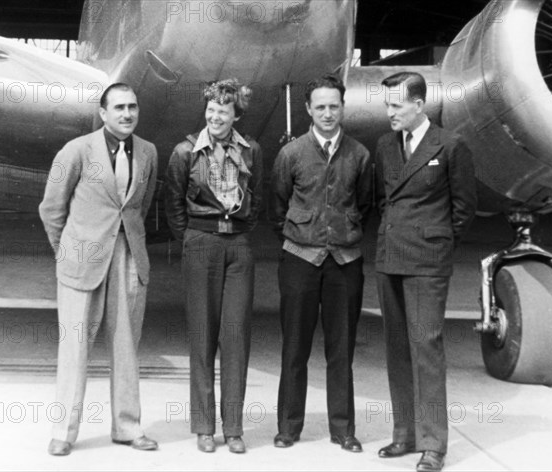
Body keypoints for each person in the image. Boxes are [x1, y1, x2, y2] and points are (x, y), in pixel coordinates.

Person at [39, 83, 159, 456]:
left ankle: (127, 427)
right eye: (119, 107)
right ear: (103, 113)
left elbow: (140, 205)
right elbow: (51, 208)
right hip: (81, 259)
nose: (127, 114)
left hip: (127, 257)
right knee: (74, 349)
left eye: (133, 107)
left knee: (126, 347)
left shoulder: (148, 152)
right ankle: (63, 431)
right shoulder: (75, 150)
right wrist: (67, 250)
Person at [374, 72, 477, 472]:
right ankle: (405, 434)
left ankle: (434, 444)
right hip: (390, 258)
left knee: (427, 349)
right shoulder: (384, 145)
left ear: (419, 104)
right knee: (397, 349)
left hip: (427, 262)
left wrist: (436, 243)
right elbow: (380, 200)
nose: (389, 113)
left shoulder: (450, 146)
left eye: (396, 105)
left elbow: (464, 209)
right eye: (387, 105)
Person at [270, 74, 372, 453]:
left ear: (343, 108)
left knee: (341, 349)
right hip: (299, 259)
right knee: (294, 347)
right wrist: (303, 235)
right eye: (321, 107)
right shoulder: (291, 154)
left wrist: (342, 232)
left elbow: (366, 205)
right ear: (309, 110)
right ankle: (288, 427)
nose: (328, 113)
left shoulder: (359, 155)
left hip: (345, 262)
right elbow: (277, 207)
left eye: (334, 106)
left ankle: (343, 429)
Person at [164, 78, 263, 454]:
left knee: (236, 336)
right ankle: (204, 425)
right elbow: (173, 202)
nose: (215, 116)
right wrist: (192, 237)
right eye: (211, 109)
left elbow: (259, 197)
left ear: (236, 113)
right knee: (202, 335)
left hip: (238, 245)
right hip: (200, 241)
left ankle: (234, 427)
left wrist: (236, 231)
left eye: (224, 110)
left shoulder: (251, 150)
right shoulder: (185, 151)